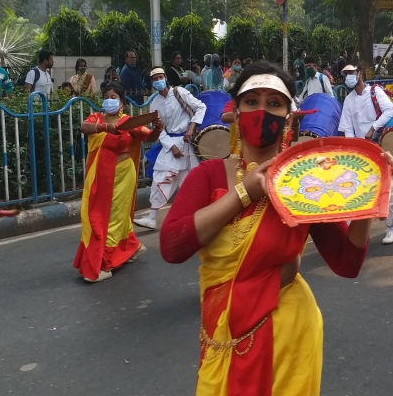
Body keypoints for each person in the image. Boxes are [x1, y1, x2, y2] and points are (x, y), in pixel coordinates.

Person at [159, 62, 377, 394]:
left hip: (288, 337)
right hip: (224, 333)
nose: (262, 111)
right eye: (252, 101)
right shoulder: (210, 176)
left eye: (274, 103)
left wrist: (366, 200)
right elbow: (172, 247)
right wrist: (245, 192)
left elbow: (347, 264)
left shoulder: (306, 183)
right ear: (235, 111)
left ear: (289, 117)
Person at [74, 81, 162, 282]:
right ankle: (131, 247)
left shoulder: (127, 121)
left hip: (123, 175)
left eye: (113, 97)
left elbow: (148, 137)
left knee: (115, 216)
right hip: (100, 175)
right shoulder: (96, 118)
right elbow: (84, 127)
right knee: (95, 216)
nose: (109, 100)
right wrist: (107, 127)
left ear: (121, 102)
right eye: (106, 96)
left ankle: (104, 263)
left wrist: (157, 128)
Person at [135, 68, 207, 230]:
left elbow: (201, 107)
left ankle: (196, 217)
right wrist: (172, 146)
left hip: (188, 142)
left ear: (166, 78)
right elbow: (159, 129)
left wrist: (191, 127)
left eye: (160, 77)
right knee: (162, 174)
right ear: (152, 83)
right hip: (170, 143)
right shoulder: (155, 103)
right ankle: (153, 217)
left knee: (188, 180)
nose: (158, 80)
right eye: (155, 79)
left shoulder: (179, 92)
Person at [338, 64, 393, 245]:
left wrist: (374, 127)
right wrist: (352, 149)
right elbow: (347, 128)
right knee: (356, 191)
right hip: (361, 152)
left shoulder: (375, 91)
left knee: (387, 190)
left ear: (359, 74)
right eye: (345, 74)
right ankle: (354, 235)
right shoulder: (348, 100)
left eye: (351, 73)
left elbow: (391, 110)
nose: (348, 77)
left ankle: (391, 229)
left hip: (380, 147)